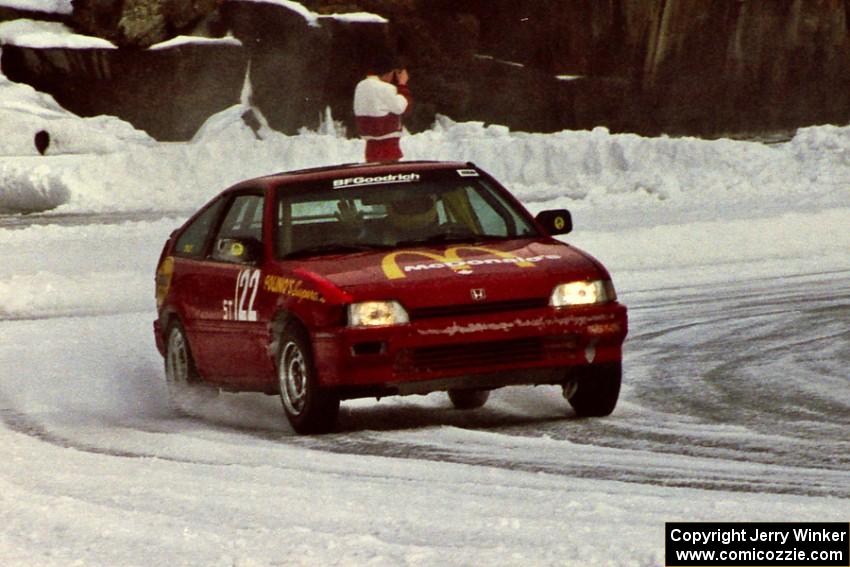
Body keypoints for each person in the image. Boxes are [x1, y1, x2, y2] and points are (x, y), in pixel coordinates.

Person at [353, 54, 412, 162]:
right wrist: (402, 84)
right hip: (387, 144)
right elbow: (403, 107)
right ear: (388, 73)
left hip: (370, 144)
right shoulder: (386, 88)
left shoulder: (360, 86)